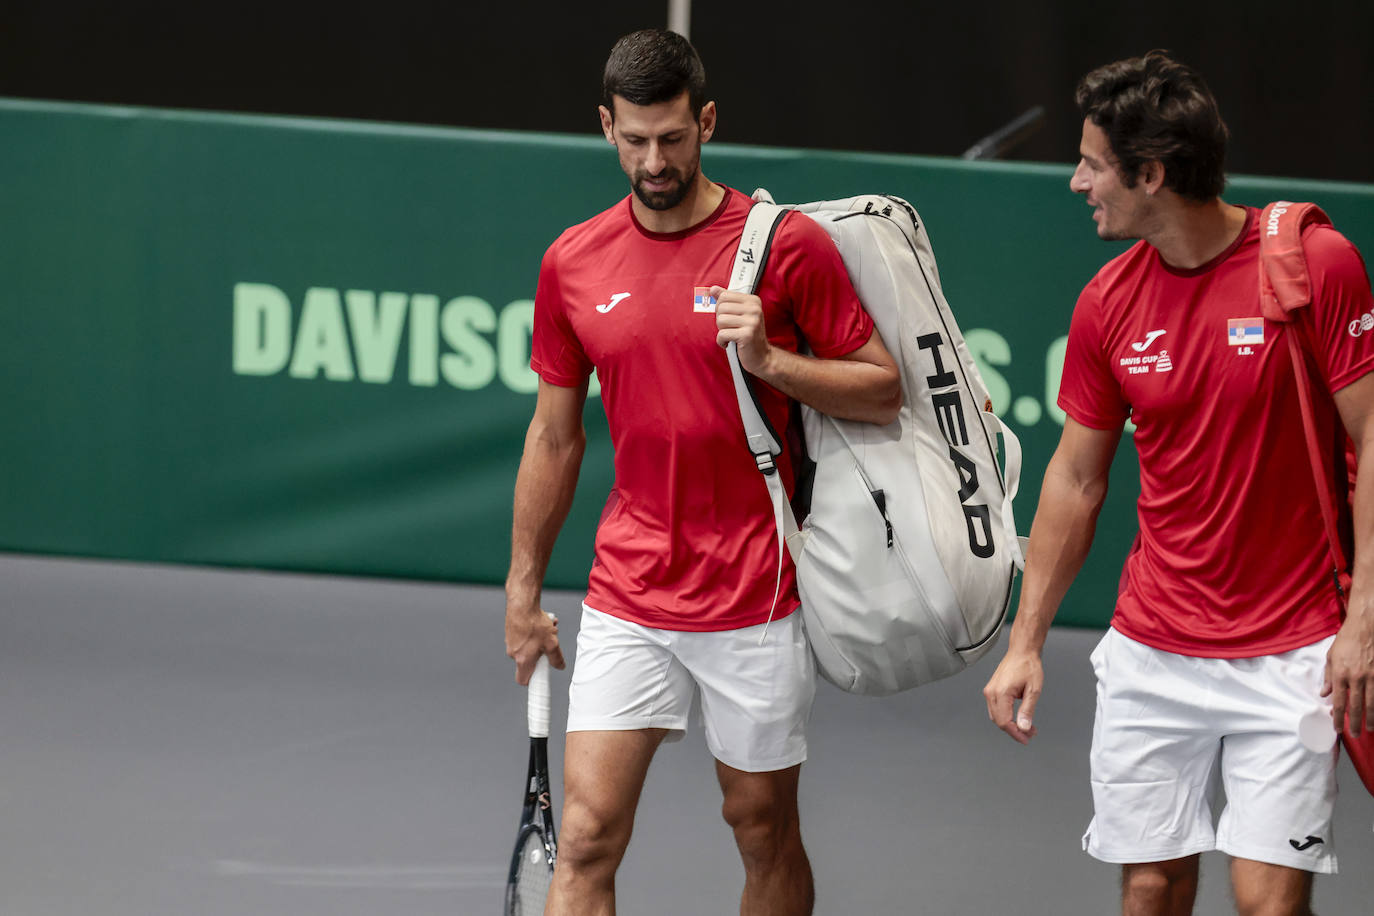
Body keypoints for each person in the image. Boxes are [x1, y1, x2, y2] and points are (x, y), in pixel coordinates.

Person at [503, 28, 900, 916]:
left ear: (708, 122)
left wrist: (772, 359)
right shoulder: (572, 262)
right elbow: (554, 439)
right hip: (627, 593)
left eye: (673, 138)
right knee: (590, 838)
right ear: (606, 126)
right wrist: (523, 592)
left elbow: (882, 389)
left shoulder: (784, 246)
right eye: (635, 139)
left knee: (761, 829)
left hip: (755, 596)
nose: (654, 161)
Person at [983, 51, 1374, 916]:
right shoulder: (1107, 302)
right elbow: (1076, 480)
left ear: (1151, 174)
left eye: (1092, 163)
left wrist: (1364, 618)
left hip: (1294, 650)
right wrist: (1026, 642)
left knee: (1269, 902)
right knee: (1151, 890)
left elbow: (1373, 433)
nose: (1079, 181)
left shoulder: (1317, 263)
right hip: (1155, 650)